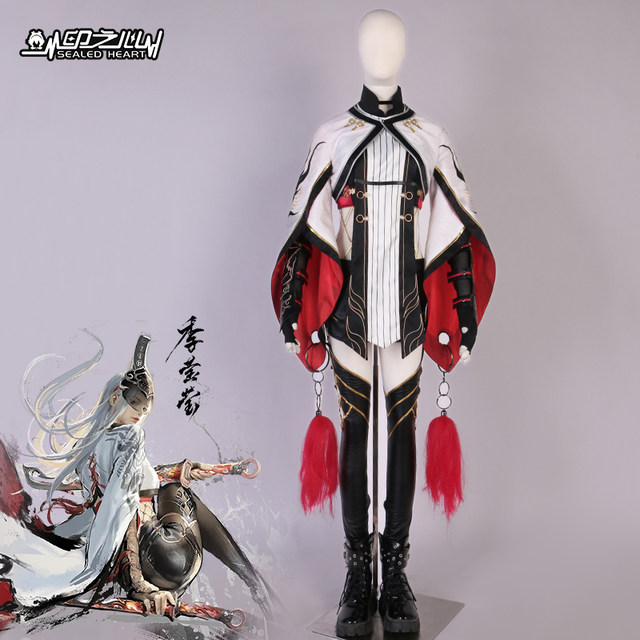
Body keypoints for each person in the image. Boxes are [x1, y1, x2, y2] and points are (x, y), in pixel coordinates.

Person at [271, 10, 495, 636]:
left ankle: (393, 576)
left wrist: (465, 319)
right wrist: (294, 314)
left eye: (391, 41)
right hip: (347, 316)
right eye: (372, 41)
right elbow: (306, 233)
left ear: (405, 49)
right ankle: (356, 574)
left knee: (399, 434)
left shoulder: (432, 139)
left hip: (409, 316)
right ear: (357, 49)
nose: (381, 51)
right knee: (353, 434)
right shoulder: (331, 138)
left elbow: (454, 236)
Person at [0, 333, 273, 623]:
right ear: (115, 398)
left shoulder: (91, 444)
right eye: (136, 405)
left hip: (138, 559)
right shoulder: (130, 437)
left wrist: (181, 469)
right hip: (166, 560)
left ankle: (253, 584)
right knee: (177, 493)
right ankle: (255, 583)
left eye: (145, 409)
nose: (140, 415)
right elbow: (124, 506)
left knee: (169, 486)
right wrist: (142, 587)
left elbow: (124, 488)